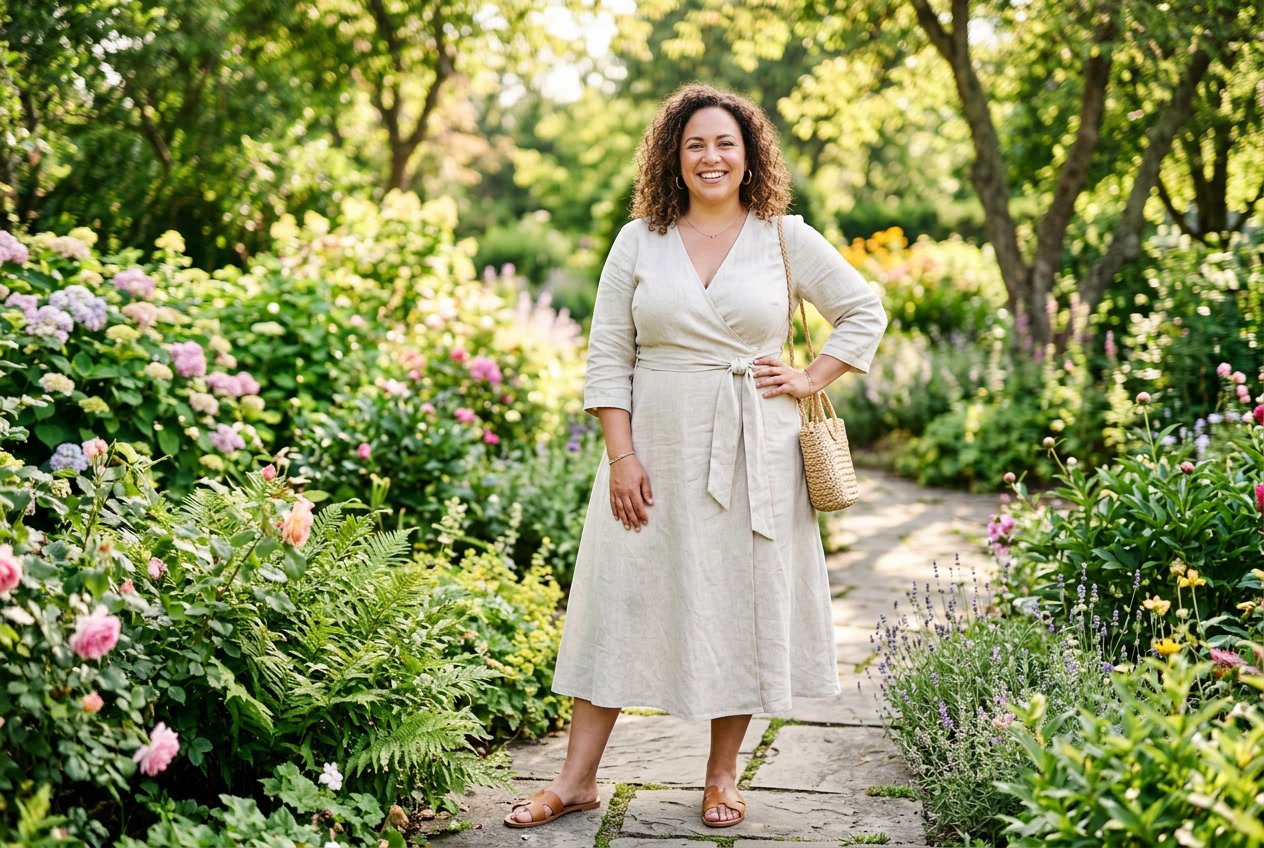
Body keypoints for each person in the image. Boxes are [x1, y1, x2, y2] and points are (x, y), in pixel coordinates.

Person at [504, 83, 887, 830]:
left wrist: (810, 375)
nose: (711, 157)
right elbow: (609, 356)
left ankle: (721, 778)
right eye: (695, 146)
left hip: (758, 449)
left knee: (741, 602)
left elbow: (863, 308)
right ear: (673, 159)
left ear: (749, 158)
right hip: (656, 448)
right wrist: (621, 458)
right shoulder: (638, 240)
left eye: (726, 145)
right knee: (620, 600)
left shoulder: (784, 236)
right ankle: (576, 780)